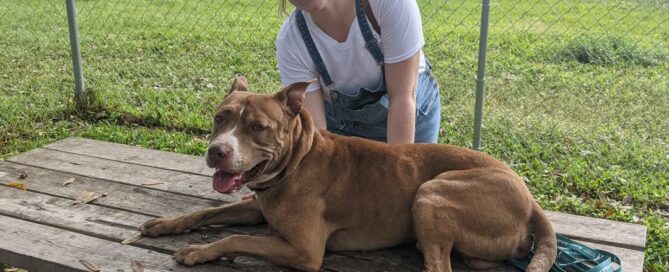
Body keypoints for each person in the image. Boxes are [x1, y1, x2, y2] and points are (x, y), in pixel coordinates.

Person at [275, 0, 442, 144]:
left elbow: (402, 97)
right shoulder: (291, 41)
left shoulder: (390, 4)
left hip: (409, 118)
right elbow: (317, 134)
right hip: (345, 134)